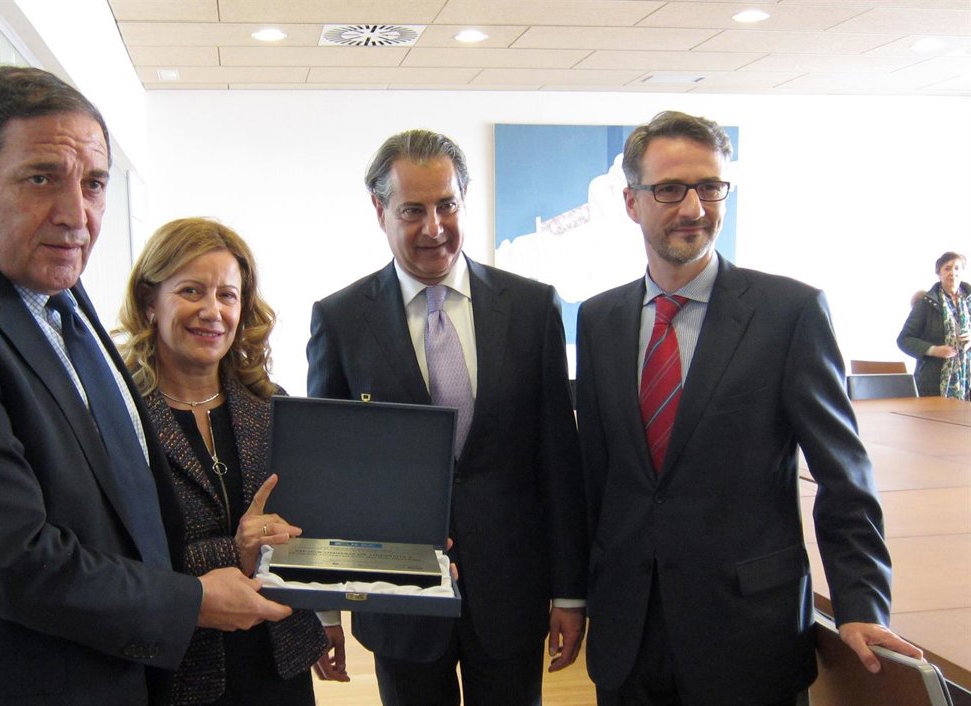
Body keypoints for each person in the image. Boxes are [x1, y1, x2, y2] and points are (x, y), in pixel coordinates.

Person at [0, 66, 289, 706]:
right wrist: (191, 600)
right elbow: (14, 561)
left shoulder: (58, 293)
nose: (76, 215)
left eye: (94, 184)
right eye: (41, 178)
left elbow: (119, 503)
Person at [574, 110, 922, 706]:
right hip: (629, 631)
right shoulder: (599, 319)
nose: (694, 208)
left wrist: (862, 602)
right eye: (670, 189)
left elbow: (844, 476)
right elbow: (595, 478)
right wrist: (573, 594)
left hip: (749, 633)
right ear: (632, 202)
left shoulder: (789, 313)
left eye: (710, 187)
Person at [306, 129, 585, 706]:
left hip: (511, 590)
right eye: (413, 210)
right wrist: (323, 607)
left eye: (447, 205)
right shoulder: (341, 320)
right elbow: (330, 474)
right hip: (398, 597)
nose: (434, 227)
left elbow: (559, 461)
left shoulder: (532, 308)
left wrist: (569, 592)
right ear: (379, 210)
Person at [116, 217, 348, 703]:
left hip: (279, 665)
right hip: (180, 673)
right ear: (149, 302)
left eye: (227, 295)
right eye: (191, 291)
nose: (212, 311)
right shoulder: (118, 418)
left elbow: (309, 523)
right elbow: (115, 564)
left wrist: (406, 550)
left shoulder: (272, 406)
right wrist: (233, 553)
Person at [897, 251, 971, 398]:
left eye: (957, 268)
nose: (953, 272)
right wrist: (934, 350)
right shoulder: (926, 303)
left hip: (967, 382)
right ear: (939, 273)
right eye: (947, 268)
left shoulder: (968, 300)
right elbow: (904, 339)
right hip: (933, 383)